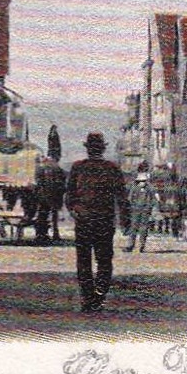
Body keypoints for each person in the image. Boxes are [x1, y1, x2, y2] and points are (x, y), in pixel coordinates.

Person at [65, 132, 129, 312]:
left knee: (84, 260)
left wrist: (74, 211)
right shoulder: (112, 168)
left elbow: (69, 197)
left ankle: (87, 297)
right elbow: (122, 198)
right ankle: (99, 295)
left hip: (84, 221)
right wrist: (125, 220)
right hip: (104, 221)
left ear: (87, 149)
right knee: (104, 260)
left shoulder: (78, 167)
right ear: (103, 148)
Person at [34, 150, 67, 243]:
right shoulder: (57, 168)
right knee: (52, 215)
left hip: (45, 194)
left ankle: (42, 234)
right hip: (53, 195)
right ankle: (52, 233)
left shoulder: (42, 166)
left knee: (43, 214)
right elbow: (62, 181)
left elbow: (38, 180)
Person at [124, 165, 157, 253]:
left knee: (138, 228)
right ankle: (137, 245)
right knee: (140, 228)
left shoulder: (138, 187)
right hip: (141, 210)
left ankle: (136, 246)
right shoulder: (147, 187)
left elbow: (130, 199)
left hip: (140, 210)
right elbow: (154, 199)